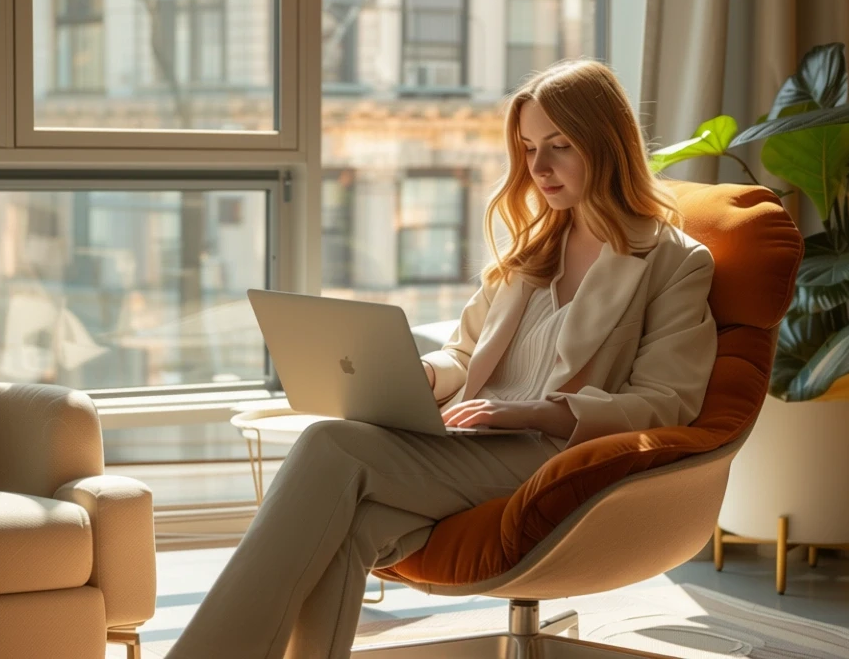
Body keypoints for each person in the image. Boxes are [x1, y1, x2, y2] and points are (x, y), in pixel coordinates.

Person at [166, 59, 718, 659]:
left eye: (560, 146)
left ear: (607, 145)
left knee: (330, 445)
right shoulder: (534, 245)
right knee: (351, 529)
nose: (538, 168)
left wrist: (538, 412)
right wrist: (429, 376)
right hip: (468, 440)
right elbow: (466, 349)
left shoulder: (673, 261)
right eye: (529, 147)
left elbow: (668, 402)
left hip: (555, 455)